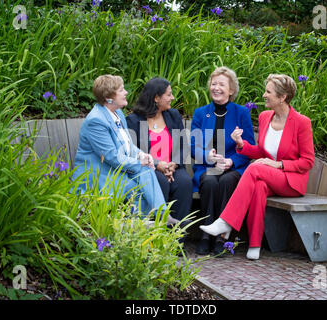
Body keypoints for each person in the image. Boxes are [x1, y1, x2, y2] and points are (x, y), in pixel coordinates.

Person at [199, 74, 315, 260]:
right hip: (268, 177)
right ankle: (255, 245)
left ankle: (226, 222)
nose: (263, 95)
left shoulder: (302, 122)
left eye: (268, 92)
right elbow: (261, 151)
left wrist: (278, 164)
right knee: (259, 186)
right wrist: (241, 144)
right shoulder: (265, 117)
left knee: (254, 169)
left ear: (282, 97)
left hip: (290, 181)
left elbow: (308, 161)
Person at [72, 74, 181, 224]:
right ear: (109, 97)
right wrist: (141, 162)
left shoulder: (118, 114)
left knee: (146, 170)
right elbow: (111, 157)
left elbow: (128, 146)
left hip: (115, 172)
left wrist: (144, 156)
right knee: (139, 183)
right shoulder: (96, 121)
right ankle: (143, 223)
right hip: (99, 175)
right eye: (121, 90)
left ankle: (157, 216)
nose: (126, 92)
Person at [191, 66, 255, 256]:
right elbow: (193, 145)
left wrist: (231, 162)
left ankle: (221, 237)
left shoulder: (241, 113)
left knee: (227, 181)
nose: (216, 88)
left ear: (231, 90)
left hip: (233, 168)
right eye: (214, 83)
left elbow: (248, 145)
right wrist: (208, 156)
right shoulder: (201, 113)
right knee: (210, 181)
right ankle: (205, 236)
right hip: (208, 166)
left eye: (221, 84)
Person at [126, 77, 193, 222]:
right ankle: (155, 237)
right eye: (169, 94)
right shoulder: (134, 120)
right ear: (156, 98)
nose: (172, 98)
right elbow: (134, 151)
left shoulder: (173, 115)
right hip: (148, 169)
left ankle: (177, 239)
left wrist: (173, 164)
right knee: (160, 181)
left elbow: (183, 146)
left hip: (173, 167)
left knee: (185, 183)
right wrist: (157, 164)